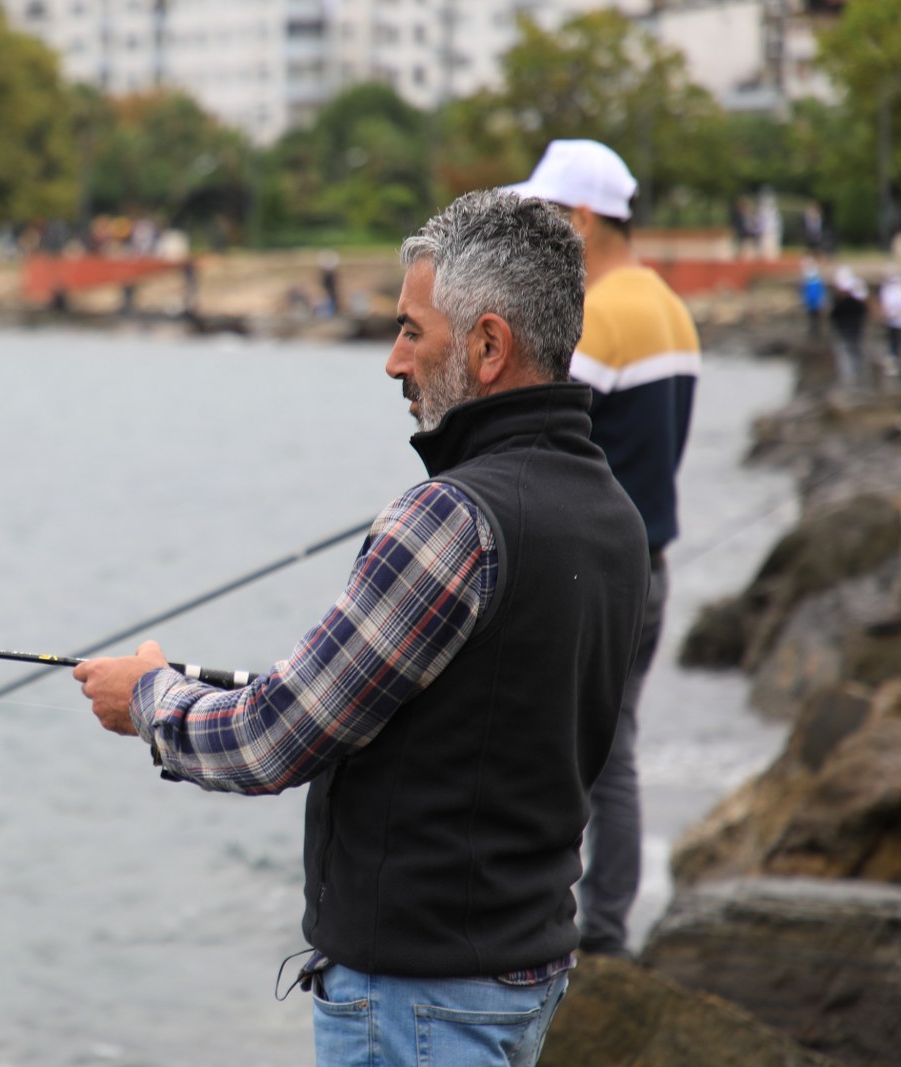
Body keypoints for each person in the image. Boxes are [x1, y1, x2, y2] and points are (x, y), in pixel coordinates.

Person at [73, 189, 649, 1067]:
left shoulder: (451, 519)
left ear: (489, 346)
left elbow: (272, 739)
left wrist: (149, 697)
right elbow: (475, 713)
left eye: (412, 331)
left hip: (416, 1004)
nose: (393, 361)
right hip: (518, 976)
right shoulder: (613, 514)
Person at [506, 138, 700, 960]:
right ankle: (602, 928)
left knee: (597, 756)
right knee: (610, 747)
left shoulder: (601, 313)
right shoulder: (664, 304)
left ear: (583, 218)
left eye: (548, 216)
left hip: (597, 573)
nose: (539, 235)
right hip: (645, 559)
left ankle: (601, 938)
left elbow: (533, 428)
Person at [829, 266, 870, 389]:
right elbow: (864, 313)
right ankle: (860, 379)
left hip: (845, 332)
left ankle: (851, 382)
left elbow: (833, 317)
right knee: (857, 354)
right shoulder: (857, 303)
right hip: (855, 331)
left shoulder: (840, 304)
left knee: (846, 356)